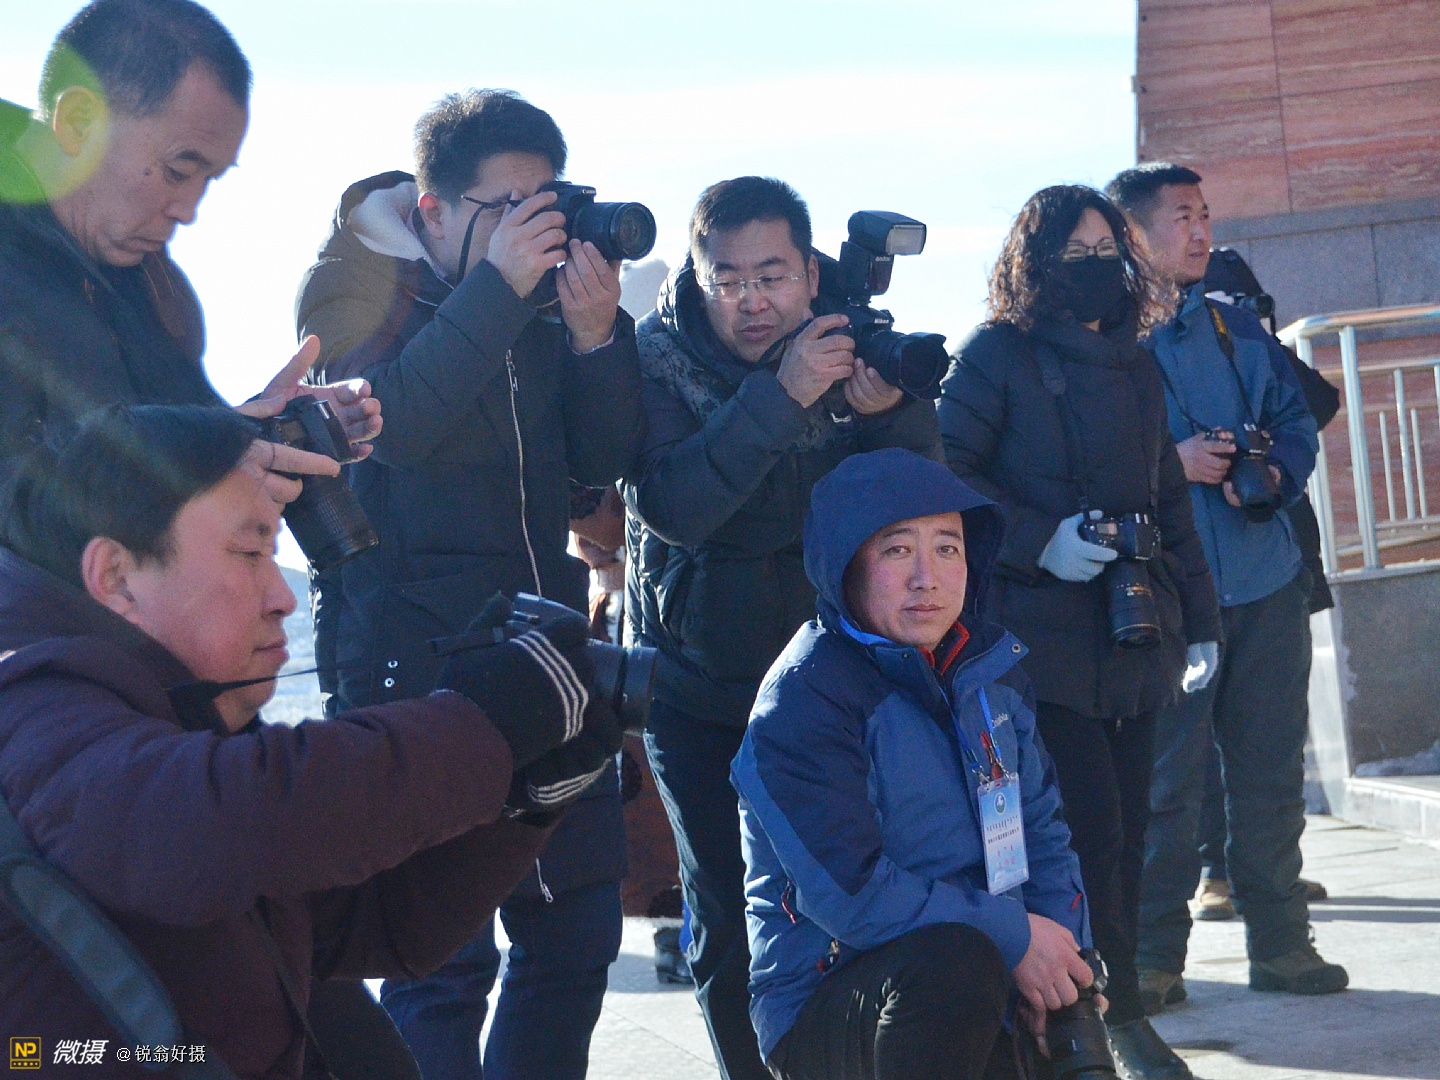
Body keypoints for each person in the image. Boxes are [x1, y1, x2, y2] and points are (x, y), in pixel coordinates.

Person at [0, 404, 622, 1078]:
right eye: (249, 552)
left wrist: (518, 798)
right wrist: (483, 722)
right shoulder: (32, 706)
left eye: (274, 556)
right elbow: (211, 823)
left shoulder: (169, 717)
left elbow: (376, 922)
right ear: (116, 577)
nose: (284, 597)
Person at [294, 88, 642, 1080]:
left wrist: (596, 339)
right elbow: (397, 426)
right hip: (414, 667)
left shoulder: (536, 301)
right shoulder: (352, 288)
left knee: (576, 937)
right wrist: (498, 287)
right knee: (438, 964)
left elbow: (606, 462)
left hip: (548, 654)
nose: (536, 227)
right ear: (434, 211)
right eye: (508, 206)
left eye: (547, 202)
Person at [622, 176, 942, 1079]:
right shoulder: (655, 359)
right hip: (702, 689)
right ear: (697, 279)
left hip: (842, 688)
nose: (751, 301)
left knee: (870, 899)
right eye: (727, 280)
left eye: (771, 276)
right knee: (732, 919)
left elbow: (921, 499)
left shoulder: (850, 340)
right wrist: (787, 392)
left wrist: (890, 418)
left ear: (809, 271)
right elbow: (677, 505)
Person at [937, 184, 1221, 1080]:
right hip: (1038, 645)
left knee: (1132, 833)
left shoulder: (1135, 363)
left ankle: (1115, 1004)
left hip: (1134, 632)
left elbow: (1169, 500)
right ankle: (1097, 1019)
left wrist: (1201, 621)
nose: (1096, 269)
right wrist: (1038, 541)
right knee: (1084, 835)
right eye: (1076, 254)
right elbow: (943, 467)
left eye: (1108, 252)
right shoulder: (995, 355)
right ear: (1035, 262)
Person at [731, 447, 1094, 1080]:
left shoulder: (990, 677)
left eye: (948, 548)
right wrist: (1016, 938)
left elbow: (1042, 836)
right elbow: (852, 896)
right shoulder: (805, 699)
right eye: (898, 550)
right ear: (845, 566)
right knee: (955, 963)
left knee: (1065, 1024)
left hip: (987, 969)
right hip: (838, 992)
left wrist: (1067, 970)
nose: (928, 578)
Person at [1105, 163, 1347, 1007]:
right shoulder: (1105, 344)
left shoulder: (1234, 326)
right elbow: (1081, 461)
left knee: (1271, 776)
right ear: (1132, 234)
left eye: (1205, 213)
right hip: (1171, 596)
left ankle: (1282, 945)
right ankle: (1151, 961)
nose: (1202, 231)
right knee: (1166, 788)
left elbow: (1295, 418)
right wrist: (1169, 464)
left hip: (1267, 581)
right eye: (1182, 216)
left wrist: (1274, 471)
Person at [0, 0, 381, 490]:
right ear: (77, 122)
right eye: (179, 171)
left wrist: (273, 430)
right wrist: (213, 450)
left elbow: (175, 455)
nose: (188, 210)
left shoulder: (155, 287)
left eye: (209, 179)